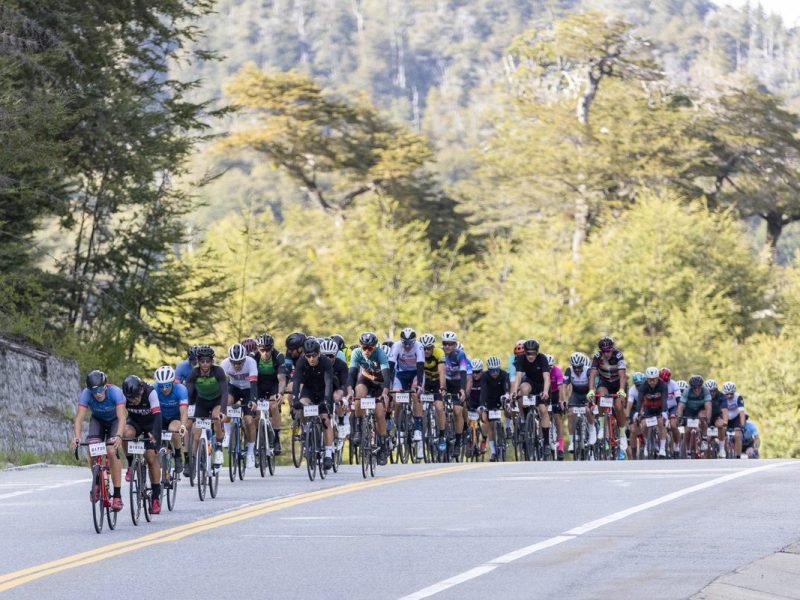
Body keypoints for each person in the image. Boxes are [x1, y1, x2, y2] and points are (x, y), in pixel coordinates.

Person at [72, 370, 126, 511]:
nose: (98, 394)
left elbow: (122, 418)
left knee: (111, 450)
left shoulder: (115, 392)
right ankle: (97, 481)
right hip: (98, 421)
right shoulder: (86, 394)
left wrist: (119, 436)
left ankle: (117, 496)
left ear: (105, 386)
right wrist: (76, 437)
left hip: (114, 421)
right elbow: (79, 418)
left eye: (101, 389)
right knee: (92, 447)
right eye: (94, 391)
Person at [121, 375, 163, 514]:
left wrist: (155, 435)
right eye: (130, 399)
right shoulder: (123, 396)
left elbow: (157, 415)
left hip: (151, 425)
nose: (134, 401)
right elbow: (119, 416)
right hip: (135, 423)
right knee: (125, 434)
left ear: (141, 391)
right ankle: (130, 464)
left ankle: (156, 497)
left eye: (136, 397)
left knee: (151, 457)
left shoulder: (151, 393)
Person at [348, 332, 392, 464]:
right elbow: (351, 374)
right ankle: (358, 427)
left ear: (375, 347)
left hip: (379, 381)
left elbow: (386, 376)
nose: (366, 351)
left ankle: (383, 446)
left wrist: (384, 393)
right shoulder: (356, 353)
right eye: (364, 348)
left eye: (370, 348)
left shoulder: (380, 354)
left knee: (379, 414)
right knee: (358, 393)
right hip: (365, 379)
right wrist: (349, 390)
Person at [292, 337, 336, 470]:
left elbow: (329, 384)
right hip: (309, 391)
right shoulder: (301, 362)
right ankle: (306, 430)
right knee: (303, 405)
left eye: (314, 355)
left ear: (319, 354)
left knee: (325, 420)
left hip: (324, 391)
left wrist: (327, 403)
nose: (311, 359)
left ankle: (328, 454)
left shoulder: (326, 362)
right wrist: (295, 399)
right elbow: (296, 382)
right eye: (308, 356)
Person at [184, 345, 227, 469]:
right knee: (196, 433)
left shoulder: (218, 371)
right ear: (198, 362)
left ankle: (218, 448)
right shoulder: (193, 374)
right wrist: (186, 411)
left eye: (208, 361)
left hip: (217, 401)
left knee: (216, 417)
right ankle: (191, 461)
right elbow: (188, 394)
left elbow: (225, 392)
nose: (205, 364)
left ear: (212, 362)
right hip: (201, 402)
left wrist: (223, 411)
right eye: (202, 361)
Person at [587, 336, 628, 460]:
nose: (606, 354)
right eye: (603, 351)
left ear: (612, 349)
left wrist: (621, 390)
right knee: (601, 395)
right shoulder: (597, 357)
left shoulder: (618, 356)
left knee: (618, 406)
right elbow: (593, 375)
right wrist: (591, 390)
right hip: (605, 383)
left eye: (608, 351)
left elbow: (622, 376)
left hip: (617, 384)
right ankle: (601, 424)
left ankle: (622, 434)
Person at [220, 343, 260, 469]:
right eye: (234, 362)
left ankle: (250, 453)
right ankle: (227, 434)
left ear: (244, 359)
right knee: (226, 402)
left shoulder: (251, 362)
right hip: (234, 388)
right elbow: (222, 386)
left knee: (249, 420)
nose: (237, 365)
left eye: (240, 363)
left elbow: (254, 384)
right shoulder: (224, 364)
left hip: (249, 390)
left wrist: (254, 400)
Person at [510, 339, 552, 457]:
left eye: (533, 353)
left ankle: (547, 443)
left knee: (543, 410)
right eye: (528, 353)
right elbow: (518, 376)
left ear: (537, 352)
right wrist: (514, 391)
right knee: (522, 389)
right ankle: (526, 418)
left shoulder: (542, 358)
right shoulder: (521, 359)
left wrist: (545, 391)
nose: (530, 356)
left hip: (542, 386)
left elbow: (547, 377)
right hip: (530, 383)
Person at [388, 328, 426, 452]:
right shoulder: (397, 346)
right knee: (397, 400)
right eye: (405, 343)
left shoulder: (419, 346)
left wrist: (419, 385)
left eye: (410, 344)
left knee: (415, 394)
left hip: (416, 374)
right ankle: (399, 427)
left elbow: (420, 367)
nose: (408, 346)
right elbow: (391, 367)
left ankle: (417, 429)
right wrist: (387, 386)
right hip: (401, 375)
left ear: (414, 342)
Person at [253, 333, 287, 454]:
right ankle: (258, 437)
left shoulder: (278, 356)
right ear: (258, 349)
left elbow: (282, 379)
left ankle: (276, 438)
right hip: (258, 384)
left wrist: (280, 393)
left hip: (273, 384)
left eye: (268, 350)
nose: (265, 353)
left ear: (272, 348)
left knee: (273, 406)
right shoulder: (254, 357)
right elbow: (250, 380)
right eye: (262, 350)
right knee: (256, 410)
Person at [152, 365, 188, 474]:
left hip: (175, 417)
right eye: (161, 385)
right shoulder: (154, 389)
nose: (164, 388)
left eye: (167, 385)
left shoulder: (181, 389)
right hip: (160, 417)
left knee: (174, 430)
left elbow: (184, 411)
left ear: (172, 382)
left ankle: (177, 455)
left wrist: (183, 425)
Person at [441, 331, 468, 456]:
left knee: (457, 411)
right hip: (444, 382)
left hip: (457, 383)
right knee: (441, 409)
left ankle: (457, 441)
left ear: (455, 345)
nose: (447, 347)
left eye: (450, 344)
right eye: (445, 344)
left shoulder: (460, 354)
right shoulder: (440, 354)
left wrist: (462, 389)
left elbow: (463, 373)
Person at [479, 356, 509, 462]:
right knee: (490, 425)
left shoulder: (504, 374)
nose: (494, 373)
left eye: (496, 370)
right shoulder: (484, 376)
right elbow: (483, 392)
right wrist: (483, 405)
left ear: (499, 368)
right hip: (489, 400)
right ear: (488, 370)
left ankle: (508, 427)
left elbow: (506, 388)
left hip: (501, 397)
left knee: (508, 407)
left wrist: (506, 396)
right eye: (492, 371)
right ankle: (493, 452)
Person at [564, 352, 596, 453]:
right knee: (570, 413)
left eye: (579, 367)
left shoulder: (588, 370)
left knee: (587, 410)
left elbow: (592, 385)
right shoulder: (569, 370)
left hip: (587, 393)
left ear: (583, 365)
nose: (577, 370)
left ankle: (591, 429)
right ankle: (572, 441)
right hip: (576, 394)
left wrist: (591, 398)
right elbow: (564, 386)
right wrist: (564, 399)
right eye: (575, 368)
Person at [636, 367, 668, 458]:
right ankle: (646, 443)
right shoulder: (643, 386)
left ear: (658, 378)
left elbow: (664, 399)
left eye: (654, 380)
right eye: (650, 380)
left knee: (662, 422)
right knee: (644, 424)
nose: (652, 382)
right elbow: (639, 400)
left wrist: (664, 412)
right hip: (648, 408)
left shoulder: (663, 385)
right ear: (647, 379)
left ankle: (662, 448)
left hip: (660, 408)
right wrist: (637, 412)